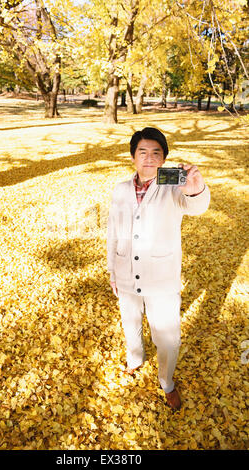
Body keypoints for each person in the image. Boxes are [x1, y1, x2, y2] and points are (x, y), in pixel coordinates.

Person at [106, 127, 210, 410]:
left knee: (167, 338)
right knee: (130, 323)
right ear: (132, 157)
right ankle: (135, 359)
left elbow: (196, 205)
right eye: (143, 152)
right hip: (126, 274)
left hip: (162, 279)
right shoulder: (121, 189)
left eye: (156, 153)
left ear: (164, 159)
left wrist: (197, 189)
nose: (149, 158)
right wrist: (112, 270)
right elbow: (114, 231)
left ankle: (167, 381)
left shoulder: (172, 184)